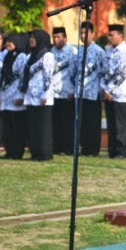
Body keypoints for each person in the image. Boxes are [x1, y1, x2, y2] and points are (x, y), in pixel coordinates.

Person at [101, 24, 126, 159]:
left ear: (120, 36)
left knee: (120, 124)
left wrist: (110, 90)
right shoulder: (108, 52)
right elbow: (103, 72)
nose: (109, 38)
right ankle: (112, 150)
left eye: (112, 35)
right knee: (111, 123)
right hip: (108, 93)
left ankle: (121, 151)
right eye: (108, 35)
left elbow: (121, 74)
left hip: (120, 92)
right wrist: (104, 88)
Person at [21, 30, 55, 161]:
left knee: (43, 127)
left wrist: (45, 95)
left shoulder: (47, 55)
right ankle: (35, 152)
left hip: (42, 97)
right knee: (33, 126)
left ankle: (44, 153)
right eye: (30, 37)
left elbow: (48, 76)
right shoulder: (32, 55)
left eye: (34, 38)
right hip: (31, 96)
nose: (31, 40)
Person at [75, 21, 104, 157]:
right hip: (80, 92)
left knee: (92, 122)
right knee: (82, 122)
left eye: (86, 33)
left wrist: (103, 90)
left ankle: (93, 149)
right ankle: (84, 147)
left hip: (93, 92)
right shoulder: (78, 51)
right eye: (81, 33)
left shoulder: (99, 52)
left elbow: (103, 72)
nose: (83, 36)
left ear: (92, 34)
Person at [0, 33, 29, 159]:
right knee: (7, 127)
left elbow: (23, 76)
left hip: (16, 95)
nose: (7, 44)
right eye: (7, 41)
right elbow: (2, 75)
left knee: (17, 127)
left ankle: (17, 152)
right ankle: (9, 151)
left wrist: (21, 95)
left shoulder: (21, 56)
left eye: (10, 41)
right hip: (5, 95)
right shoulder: (6, 55)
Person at [51, 26, 78, 155]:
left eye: (58, 37)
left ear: (65, 38)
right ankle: (57, 146)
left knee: (67, 123)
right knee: (55, 122)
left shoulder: (73, 52)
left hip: (67, 92)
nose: (56, 40)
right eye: (54, 37)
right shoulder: (51, 52)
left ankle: (68, 148)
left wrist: (74, 90)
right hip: (54, 93)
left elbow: (76, 73)